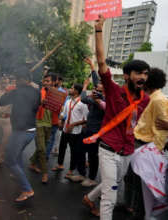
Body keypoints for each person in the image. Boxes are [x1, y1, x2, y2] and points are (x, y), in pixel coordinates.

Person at [83, 14, 150, 219]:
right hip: (108, 149)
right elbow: (102, 60)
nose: (143, 77)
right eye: (138, 73)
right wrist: (98, 30)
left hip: (128, 149)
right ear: (127, 75)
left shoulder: (145, 100)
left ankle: (88, 198)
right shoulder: (113, 90)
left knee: (115, 183)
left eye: (145, 74)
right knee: (110, 196)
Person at [118, 67, 168, 219]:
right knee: (130, 178)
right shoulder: (150, 97)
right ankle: (129, 205)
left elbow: (162, 127)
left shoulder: (158, 99)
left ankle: (138, 214)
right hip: (139, 144)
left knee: (141, 185)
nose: (141, 79)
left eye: (144, 76)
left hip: (147, 147)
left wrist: (156, 150)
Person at [0, 67, 41, 202]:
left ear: (26, 79)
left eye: (18, 79)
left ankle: (27, 189)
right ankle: (19, 174)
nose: (16, 81)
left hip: (20, 132)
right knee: (17, 155)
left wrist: (8, 89)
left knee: (9, 161)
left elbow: (1, 102)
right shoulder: (37, 91)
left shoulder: (16, 92)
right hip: (30, 131)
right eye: (15, 79)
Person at [70, 59, 105, 187]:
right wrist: (92, 66)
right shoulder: (99, 94)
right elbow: (96, 80)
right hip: (87, 130)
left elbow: (83, 99)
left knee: (92, 156)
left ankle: (91, 178)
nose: (97, 84)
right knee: (79, 151)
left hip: (95, 132)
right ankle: (81, 173)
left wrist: (85, 87)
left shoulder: (101, 99)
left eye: (100, 84)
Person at [52, 84, 88, 180]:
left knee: (74, 152)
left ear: (76, 91)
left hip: (75, 132)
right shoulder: (68, 101)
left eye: (72, 88)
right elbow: (64, 113)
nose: (70, 89)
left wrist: (73, 124)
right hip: (65, 130)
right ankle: (60, 164)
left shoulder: (82, 103)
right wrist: (59, 119)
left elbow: (86, 119)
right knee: (62, 147)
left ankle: (71, 170)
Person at [30, 73, 58, 183]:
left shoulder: (57, 94)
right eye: (44, 80)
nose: (45, 82)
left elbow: (60, 108)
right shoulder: (37, 92)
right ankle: (45, 173)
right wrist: (39, 102)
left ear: (53, 82)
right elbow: (31, 105)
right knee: (42, 148)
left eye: (48, 81)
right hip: (39, 122)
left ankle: (32, 163)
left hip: (51, 123)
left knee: (43, 146)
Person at [48, 73, 68, 158]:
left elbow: (65, 107)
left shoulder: (63, 93)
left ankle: (54, 149)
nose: (53, 81)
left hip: (57, 118)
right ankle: (49, 150)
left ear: (59, 81)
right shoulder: (49, 90)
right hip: (47, 118)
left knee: (56, 135)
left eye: (55, 79)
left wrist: (62, 120)